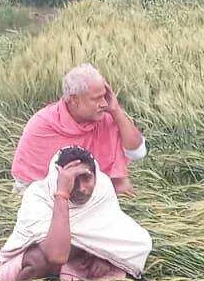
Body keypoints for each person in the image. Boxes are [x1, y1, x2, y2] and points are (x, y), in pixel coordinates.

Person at [0, 146, 152, 281]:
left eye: (86, 178)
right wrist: (62, 193)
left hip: (72, 257)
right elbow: (56, 255)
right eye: (73, 180)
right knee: (40, 260)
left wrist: (104, 256)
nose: (82, 188)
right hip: (28, 262)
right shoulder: (39, 195)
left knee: (141, 243)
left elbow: (108, 229)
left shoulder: (101, 188)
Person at [11, 63, 147, 196]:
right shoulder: (42, 125)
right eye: (96, 99)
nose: (104, 103)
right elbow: (25, 183)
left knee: (123, 186)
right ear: (74, 99)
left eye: (104, 96)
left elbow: (138, 152)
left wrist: (116, 110)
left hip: (92, 190)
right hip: (50, 195)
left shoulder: (105, 118)